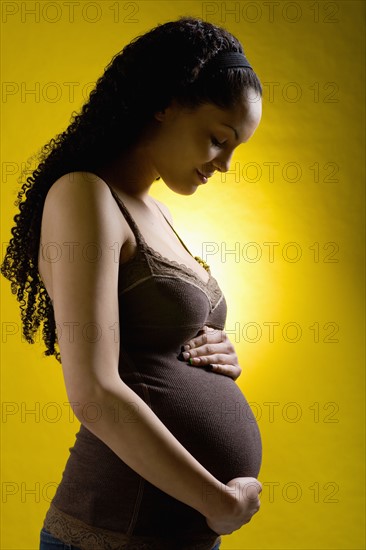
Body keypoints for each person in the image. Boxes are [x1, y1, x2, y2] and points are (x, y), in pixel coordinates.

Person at [1, 16, 263, 550]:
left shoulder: (157, 212)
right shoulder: (84, 195)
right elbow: (94, 391)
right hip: (113, 531)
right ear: (165, 102)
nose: (226, 164)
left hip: (178, 534)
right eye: (219, 139)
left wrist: (218, 360)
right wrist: (219, 502)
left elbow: (155, 347)